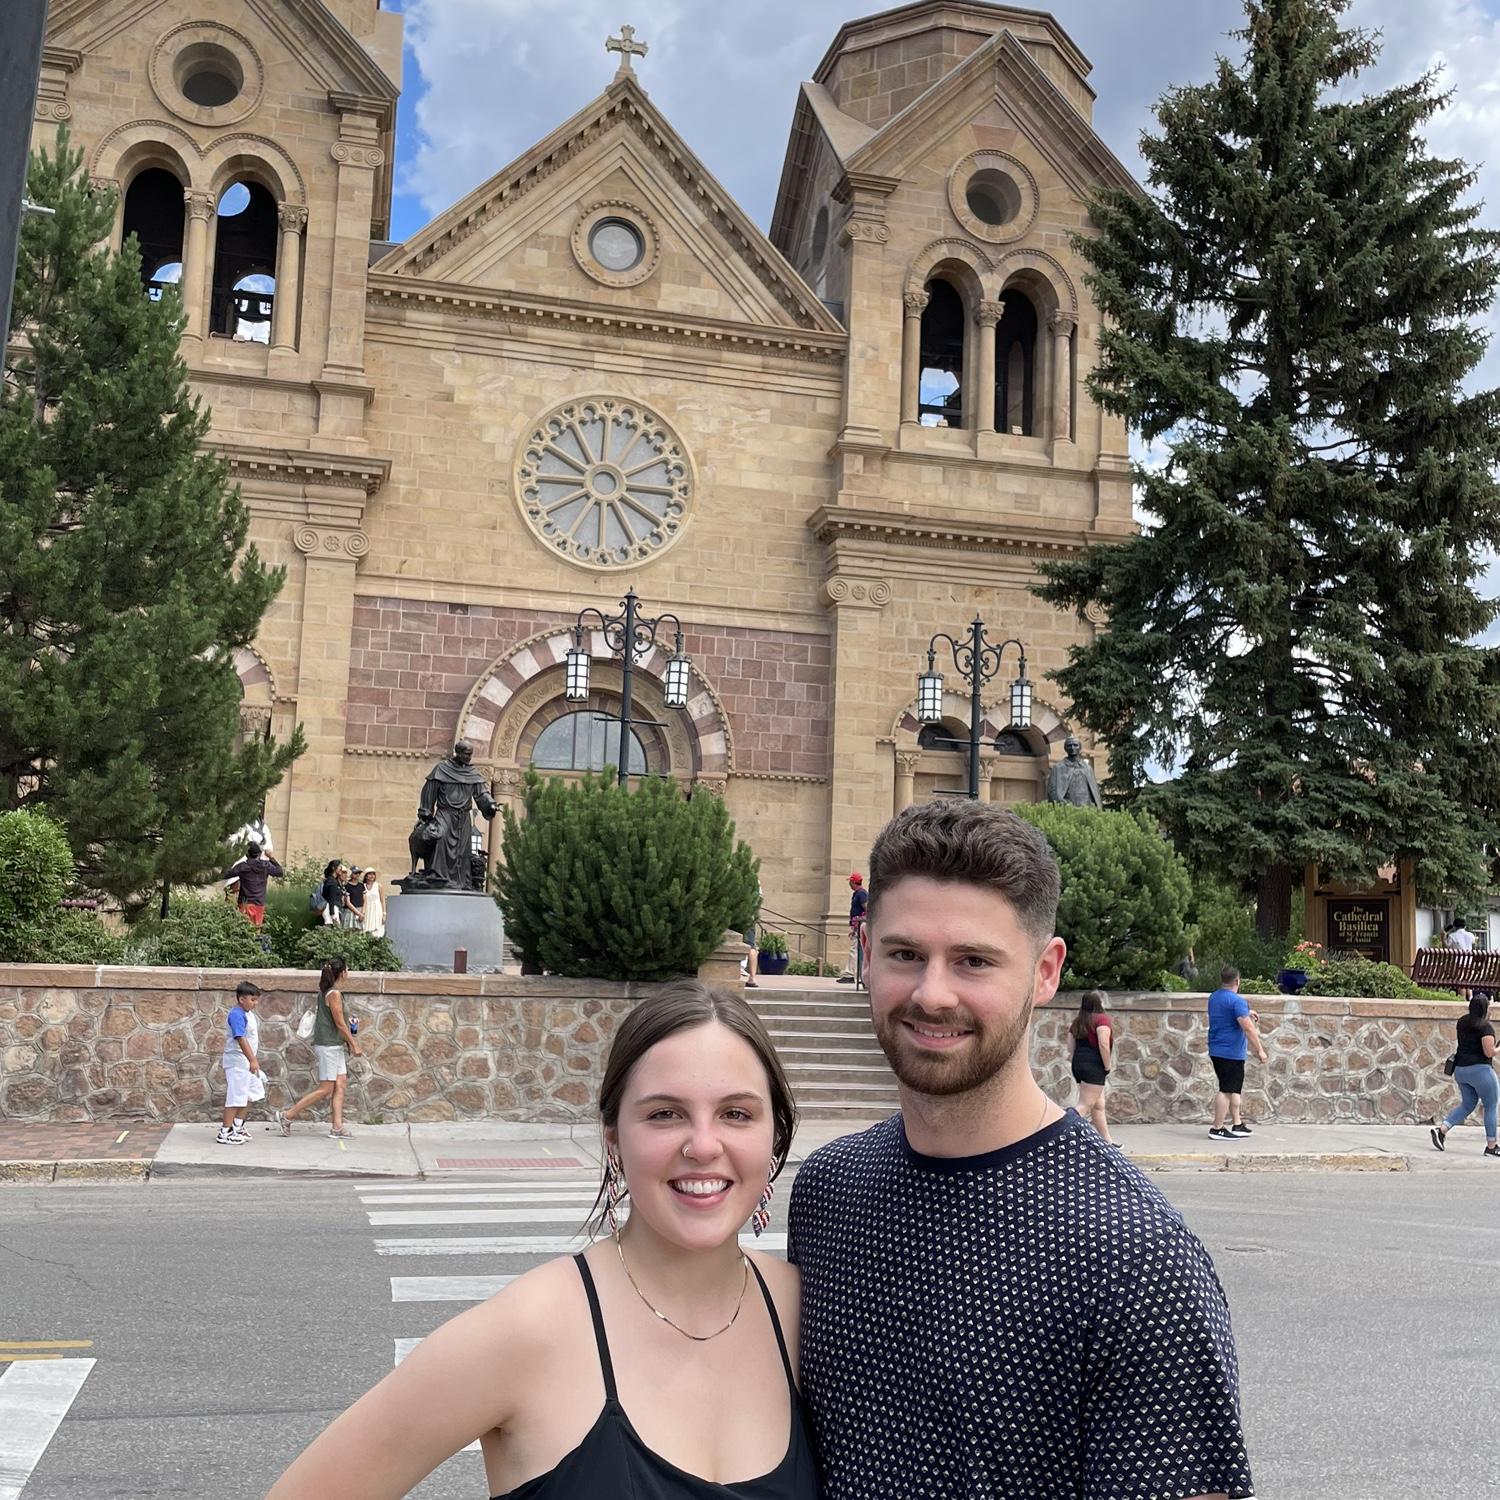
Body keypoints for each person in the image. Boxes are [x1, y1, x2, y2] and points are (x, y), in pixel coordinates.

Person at [789, 799, 1253, 1500]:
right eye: (905, 954)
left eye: (973, 961)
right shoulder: (830, 1190)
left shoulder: (1137, 1261)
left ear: (1045, 971)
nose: (932, 994)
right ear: (868, 954)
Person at [265, 982, 818, 1500]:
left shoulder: (809, 1311)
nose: (703, 1145)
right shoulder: (523, 1333)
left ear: (774, 1134)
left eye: (736, 1114)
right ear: (614, 1139)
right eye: (664, 1114)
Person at [275, 958, 360, 1140]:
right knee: (326, 1088)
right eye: (347, 969)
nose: (348, 972)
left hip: (334, 1045)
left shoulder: (327, 992)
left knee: (340, 1084)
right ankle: (287, 1115)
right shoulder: (333, 994)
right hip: (329, 1046)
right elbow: (339, 1023)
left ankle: (337, 1127)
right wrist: (354, 1044)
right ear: (342, 973)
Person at [1430, 994, 1498, 1157]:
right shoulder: (1486, 1028)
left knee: (1468, 1104)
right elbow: (1489, 1052)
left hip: (1461, 1070)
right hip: (1481, 1071)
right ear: (1485, 1009)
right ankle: (1492, 1146)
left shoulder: (1462, 1022)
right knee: (1490, 1106)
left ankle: (1442, 1130)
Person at [1206, 966, 1266, 1140]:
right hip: (1230, 1053)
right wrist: (1260, 1051)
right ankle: (1217, 1128)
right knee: (1226, 1089)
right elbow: (1248, 1028)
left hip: (1218, 1049)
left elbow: (1227, 1012)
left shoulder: (1214, 997)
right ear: (1237, 981)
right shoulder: (1237, 1001)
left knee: (1233, 1089)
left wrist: (1247, 1012)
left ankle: (1237, 1124)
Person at [218, 980, 265, 1145]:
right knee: (236, 1096)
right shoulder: (236, 1015)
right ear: (241, 999)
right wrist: (252, 1060)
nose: (255, 1003)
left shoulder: (248, 1014)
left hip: (247, 1063)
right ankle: (225, 1132)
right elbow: (240, 1038)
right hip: (237, 1062)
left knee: (252, 1093)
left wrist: (252, 1060)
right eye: (252, 1000)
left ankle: (237, 1126)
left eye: (256, 1000)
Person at [1068, 989, 1114, 1143]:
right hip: (1094, 1065)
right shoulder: (1102, 1020)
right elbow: (1103, 1044)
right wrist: (1107, 1065)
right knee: (1085, 1104)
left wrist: (1079, 1060)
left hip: (1078, 1063)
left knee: (1098, 1103)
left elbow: (1070, 1047)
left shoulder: (1077, 1021)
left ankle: (1106, 1141)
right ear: (1099, 1002)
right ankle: (1060, 1133)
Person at [223, 840, 283, 927]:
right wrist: (271, 857)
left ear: (247, 855)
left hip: (244, 904)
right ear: (260, 854)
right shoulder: (265, 866)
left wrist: (230, 859)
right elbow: (280, 872)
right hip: (259, 905)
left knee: (244, 930)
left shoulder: (243, 866)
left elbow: (225, 874)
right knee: (256, 931)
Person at [1045, 734, 1104, 809]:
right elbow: (1052, 791)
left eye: (1075, 745)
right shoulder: (1058, 768)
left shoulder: (1087, 768)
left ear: (1080, 747)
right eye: (1069, 746)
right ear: (1065, 748)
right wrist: (1063, 804)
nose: (1072, 748)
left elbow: (1095, 792)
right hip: (1068, 809)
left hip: (1087, 808)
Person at [835, 873, 868, 983]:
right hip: (857, 925)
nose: (849, 884)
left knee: (855, 949)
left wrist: (860, 919)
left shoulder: (861, 894)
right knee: (856, 949)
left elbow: (867, 909)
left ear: (854, 882)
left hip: (859, 925)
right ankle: (855, 974)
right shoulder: (858, 893)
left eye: (850, 881)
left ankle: (850, 974)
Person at [360, 868, 385, 938]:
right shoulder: (362, 886)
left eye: (373, 874)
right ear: (366, 876)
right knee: (366, 928)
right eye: (370, 874)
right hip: (367, 909)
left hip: (377, 909)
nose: (372, 876)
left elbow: (382, 900)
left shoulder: (379, 886)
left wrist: (384, 914)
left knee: (377, 930)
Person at [344, 865, 366, 930]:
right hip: (350, 911)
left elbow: (365, 900)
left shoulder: (361, 885)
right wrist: (359, 913)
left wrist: (362, 912)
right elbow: (348, 902)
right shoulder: (346, 885)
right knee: (349, 931)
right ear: (351, 874)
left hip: (360, 910)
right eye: (355, 873)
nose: (357, 874)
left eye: (359, 873)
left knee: (360, 931)